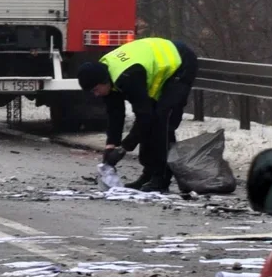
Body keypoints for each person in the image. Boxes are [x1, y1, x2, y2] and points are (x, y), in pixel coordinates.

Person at [77, 37, 200, 192]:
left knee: (162, 120)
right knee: (151, 121)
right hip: (157, 63)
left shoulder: (128, 77)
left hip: (180, 62)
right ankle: (148, 175)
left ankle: (161, 178)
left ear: (104, 81)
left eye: (95, 90)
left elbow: (144, 117)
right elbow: (115, 114)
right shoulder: (106, 76)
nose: (96, 95)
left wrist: (124, 148)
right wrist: (111, 145)